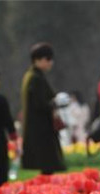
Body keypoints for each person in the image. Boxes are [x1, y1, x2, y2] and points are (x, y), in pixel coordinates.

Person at [20, 43, 65, 174]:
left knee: (46, 168)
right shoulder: (36, 78)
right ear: (37, 60)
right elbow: (40, 104)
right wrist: (56, 102)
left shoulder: (31, 76)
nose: (51, 62)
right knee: (47, 167)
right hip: (42, 129)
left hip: (38, 128)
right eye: (48, 59)